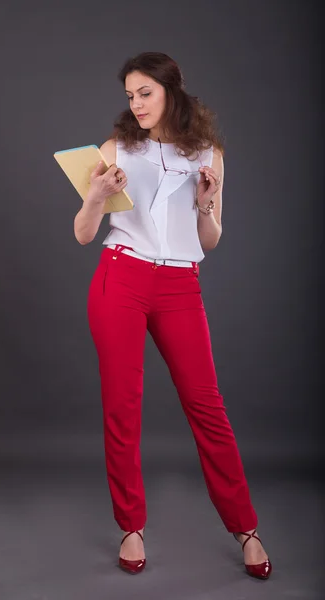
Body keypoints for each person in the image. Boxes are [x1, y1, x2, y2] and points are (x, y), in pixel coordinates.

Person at [73, 52, 272, 579]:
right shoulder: (118, 149)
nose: (135, 104)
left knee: (207, 405)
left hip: (181, 283)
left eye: (145, 93)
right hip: (122, 275)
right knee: (123, 404)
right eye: (130, 95)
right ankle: (131, 525)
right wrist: (96, 196)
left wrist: (207, 203)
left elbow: (210, 238)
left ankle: (246, 527)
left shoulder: (209, 152)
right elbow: (84, 233)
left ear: (171, 91)